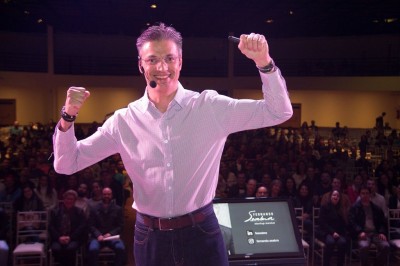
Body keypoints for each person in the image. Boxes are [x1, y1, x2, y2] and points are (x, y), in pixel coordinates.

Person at [52, 23, 292, 266]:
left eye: (169, 58)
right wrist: (68, 116)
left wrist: (264, 61)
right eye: (152, 59)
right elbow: (67, 164)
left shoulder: (209, 107)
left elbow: (278, 112)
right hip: (151, 238)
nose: (162, 67)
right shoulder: (123, 121)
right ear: (140, 65)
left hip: (202, 234)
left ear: (180, 62)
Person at [348, 185, 390, 266]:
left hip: (376, 233)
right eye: (363, 193)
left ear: (370, 195)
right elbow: (351, 222)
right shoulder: (355, 208)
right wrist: (360, 231)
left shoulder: (376, 208)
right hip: (363, 233)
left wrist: (382, 232)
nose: (365, 195)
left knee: (386, 246)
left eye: (367, 193)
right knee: (364, 247)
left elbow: (382, 222)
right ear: (360, 195)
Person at [87, 187, 126, 266]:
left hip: (112, 237)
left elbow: (120, 226)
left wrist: (110, 234)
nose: (107, 196)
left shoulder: (118, 209)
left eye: (109, 194)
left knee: (121, 248)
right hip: (97, 237)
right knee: (93, 249)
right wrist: (98, 235)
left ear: (112, 195)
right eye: (105, 194)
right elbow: (91, 225)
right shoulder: (94, 209)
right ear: (102, 195)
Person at [49, 190, 87, 266]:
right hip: (58, 238)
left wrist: (70, 238)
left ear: (75, 201)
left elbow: (81, 227)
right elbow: (51, 227)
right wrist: (59, 237)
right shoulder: (55, 212)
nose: (68, 201)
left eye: (71, 199)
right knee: (56, 249)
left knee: (70, 249)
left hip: (73, 238)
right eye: (67, 198)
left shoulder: (79, 212)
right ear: (63, 199)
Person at [318, 190, 347, 266]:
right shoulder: (324, 207)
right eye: (334, 195)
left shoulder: (341, 208)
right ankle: (326, 264)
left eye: (337, 196)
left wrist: (339, 233)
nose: (336, 197)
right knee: (330, 242)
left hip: (338, 233)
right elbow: (322, 222)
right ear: (330, 197)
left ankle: (340, 264)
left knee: (343, 242)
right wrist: (332, 232)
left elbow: (343, 223)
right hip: (326, 232)